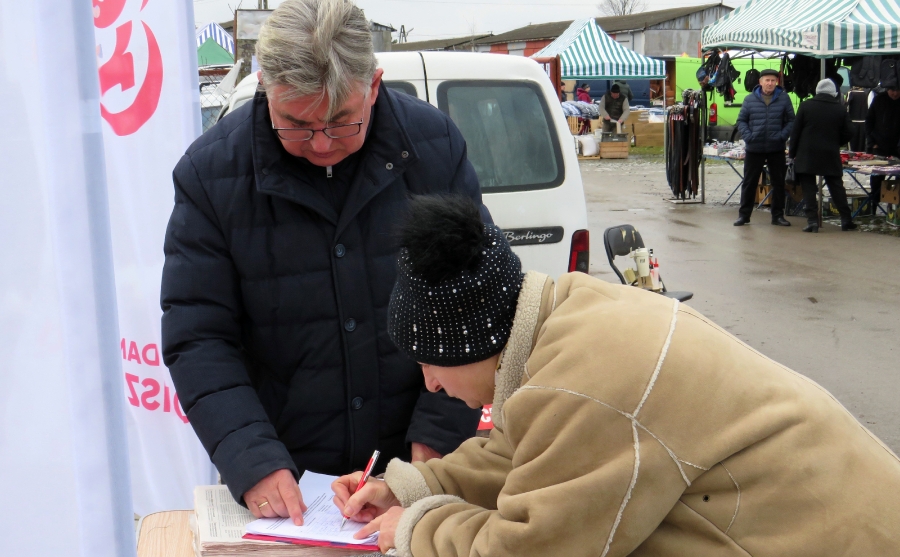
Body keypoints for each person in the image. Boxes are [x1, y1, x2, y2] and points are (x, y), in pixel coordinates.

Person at [332, 195, 900, 556]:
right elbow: (528, 453)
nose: (431, 384)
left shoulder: (582, 381)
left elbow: (533, 548)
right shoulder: (568, 312)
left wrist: (416, 529)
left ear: (475, 344)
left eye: (430, 361)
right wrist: (410, 487)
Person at [161, 0, 485, 525]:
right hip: (284, 474)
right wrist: (251, 457)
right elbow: (198, 335)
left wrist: (436, 441)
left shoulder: (433, 148)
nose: (320, 144)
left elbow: (471, 297)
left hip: (412, 461)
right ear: (265, 86)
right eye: (295, 124)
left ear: (373, 86)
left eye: (340, 122)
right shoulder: (211, 174)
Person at [789, 79, 857, 233]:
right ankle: (846, 220)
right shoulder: (840, 109)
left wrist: (792, 153)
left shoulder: (806, 105)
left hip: (807, 153)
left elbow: (795, 131)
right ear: (833, 92)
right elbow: (850, 131)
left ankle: (812, 221)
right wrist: (837, 141)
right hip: (830, 152)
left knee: (808, 188)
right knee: (836, 186)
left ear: (817, 90)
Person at [734, 68, 795, 227]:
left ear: (777, 82)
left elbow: (791, 120)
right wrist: (749, 136)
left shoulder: (784, 98)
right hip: (754, 147)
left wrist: (782, 136)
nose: (770, 83)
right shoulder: (749, 99)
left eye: (773, 80)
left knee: (778, 183)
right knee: (749, 182)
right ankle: (744, 216)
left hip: (776, 147)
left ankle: (778, 216)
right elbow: (741, 121)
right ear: (760, 82)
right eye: (767, 80)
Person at [865, 86, 900, 215]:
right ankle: (873, 206)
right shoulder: (879, 99)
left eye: (897, 90)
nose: (895, 93)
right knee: (877, 179)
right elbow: (869, 121)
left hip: (897, 147)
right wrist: (872, 142)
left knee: (898, 178)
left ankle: (895, 209)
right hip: (879, 146)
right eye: (892, 90)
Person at [846, 85, 870, 152]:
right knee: (861, 148)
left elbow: (847, 108)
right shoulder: (865, 93)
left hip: (853, 122)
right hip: (863, 123)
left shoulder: (851, 93)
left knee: (852, 149)